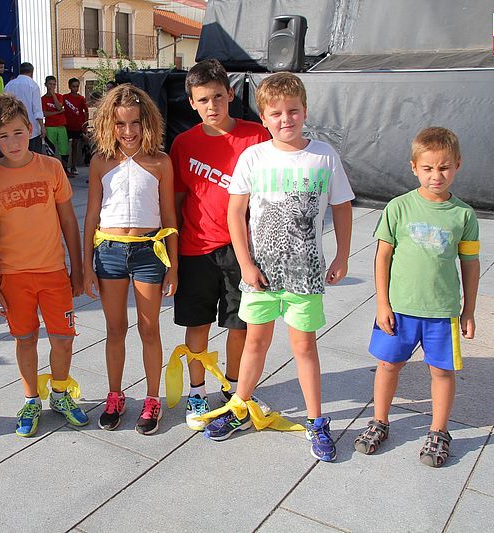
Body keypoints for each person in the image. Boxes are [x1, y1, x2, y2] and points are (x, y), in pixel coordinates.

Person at [197, 73, 354, 464]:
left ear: (305, 111)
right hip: (261, 275)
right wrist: (245, 264)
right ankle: (240, 407)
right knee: (255, 342)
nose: (286, 119)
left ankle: (316, 421)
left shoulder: (324, 156)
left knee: (304, 347)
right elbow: (235, 213)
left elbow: (342, 207)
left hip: (306, 275)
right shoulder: (253, 157)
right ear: (264, 118)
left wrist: (342, 255)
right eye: (276, 113)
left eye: (293, 111)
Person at [354, 127, 479, 468]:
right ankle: (379, 421)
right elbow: (382, 257)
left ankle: (439, 431)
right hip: (399, 310)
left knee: (442, 372)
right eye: (428, 168)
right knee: (388, 364)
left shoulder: (464, 215)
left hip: (442, 312)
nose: (436, 175)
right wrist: (382, 303)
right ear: (414, 167)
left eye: (444, 167)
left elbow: (470, 264)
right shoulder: (398, 208)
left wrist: (468, 310)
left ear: (457, 165)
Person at [166, 59, 270, 430]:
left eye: (218, 97)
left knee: (239, 324)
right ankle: (197, 392)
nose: (212, 106)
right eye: (203, 100)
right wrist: (173, 257)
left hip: (241, 251)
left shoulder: (257, 137)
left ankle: (233, 390)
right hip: (195, 250)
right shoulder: (183, 143)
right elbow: (177, 201)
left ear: (230, 94)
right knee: (198, 324)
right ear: (191, 103)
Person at [0, 94, 88, 436]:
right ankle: (31, 398)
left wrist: (77, 269)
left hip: (53, 272)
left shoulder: (51, 167)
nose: (12, 142)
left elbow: (69, 221)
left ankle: (59, 393)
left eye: (18, 132)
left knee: (63, 339)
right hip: (12, 276)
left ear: (30, 128)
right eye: (3, 136)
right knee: (25, 339)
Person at [82, 85, 178, 435]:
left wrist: (174, 267)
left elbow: (169, 215)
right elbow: (91, 216)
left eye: (135, 122)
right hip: (109, 253)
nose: (128, 131)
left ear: (146, 122)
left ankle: (152, 398)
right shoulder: (100, 162)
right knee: (115, 328)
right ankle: (115, 395)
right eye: (120, 123)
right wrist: (86, 266)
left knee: (149, 328)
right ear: (108, 125)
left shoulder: (160, 161)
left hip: (149, 252)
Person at [3, 62, 44, 153]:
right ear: (31, 72)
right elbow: (37, 109)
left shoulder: (9, 85)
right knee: (34, 156)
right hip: (31, 129)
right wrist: (42, 127)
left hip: (12, 127)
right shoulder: (33, 85)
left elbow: (4, 106)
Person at [41, 75, 69, 171]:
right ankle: (51, 170)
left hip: (61, 126)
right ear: (45, 84)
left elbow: (59, 107)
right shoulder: (43, 99)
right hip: (50, 126)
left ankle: (65, 169)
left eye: (54, 84)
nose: (52, 86)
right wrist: (57, 112)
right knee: (50, 150)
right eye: (50, 84)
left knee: (64, 149)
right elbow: (44, 113)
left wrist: (53, 95)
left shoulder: (59, 96)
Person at [63, 77, 88, 175]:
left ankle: (73, 167)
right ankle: (65, 167)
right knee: (65, 147)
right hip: (66, 125)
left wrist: (85, 124)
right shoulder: (65, 97)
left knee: (75, 146)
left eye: (77, 86)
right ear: (69, 87)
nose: (75, 88)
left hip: (77, 126)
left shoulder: (81, 98)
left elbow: (86, 111)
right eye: (73, 86)